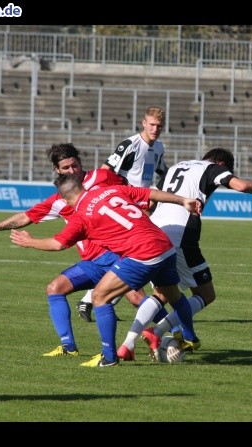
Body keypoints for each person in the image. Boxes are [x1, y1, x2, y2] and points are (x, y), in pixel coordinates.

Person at [10, 173, 203, 367]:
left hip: (142, 253)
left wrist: (29, 242)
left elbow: (58, 243)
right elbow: (150, 193)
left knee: (100, 297)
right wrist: (183, 200)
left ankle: (109, 358)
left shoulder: (80, 216)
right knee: (174, 297)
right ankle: (190, 338)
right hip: (165, 246)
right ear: (82, 186)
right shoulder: (111, 190)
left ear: (63, 199)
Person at [0, 143, 131, 357]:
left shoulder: (102, 177)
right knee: (55, 288)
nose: (72, 171)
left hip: (120, 253)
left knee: (138, 298)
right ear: (57, 170)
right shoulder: (60, 200)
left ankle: (174, 334)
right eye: (66, 168)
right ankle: (68, 347)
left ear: (80, 163)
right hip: (92, 262)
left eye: (74, 166)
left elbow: (129, 193)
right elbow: (25, 217)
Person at [137, 147, 252, 362]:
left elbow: (150, 204)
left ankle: (128, 342)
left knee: (163, 293)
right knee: (206, 294)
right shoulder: (213, 169)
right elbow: (242, 185)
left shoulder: (176, 168)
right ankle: (157, 331)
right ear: (222, 166)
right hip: (182, 237)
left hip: (155, 234)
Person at [75, 106, 168, 321]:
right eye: (152, 124)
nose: (155, 129)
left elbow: (163, 171)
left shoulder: (159, 147)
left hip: (142, 205)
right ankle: (95, 298)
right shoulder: (130, 144)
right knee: (139, 254)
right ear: (143, 123)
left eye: (159, 126)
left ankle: (94, 298)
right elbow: (105, 170)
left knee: (136, 254)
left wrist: (159, 196)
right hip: (125, 204)